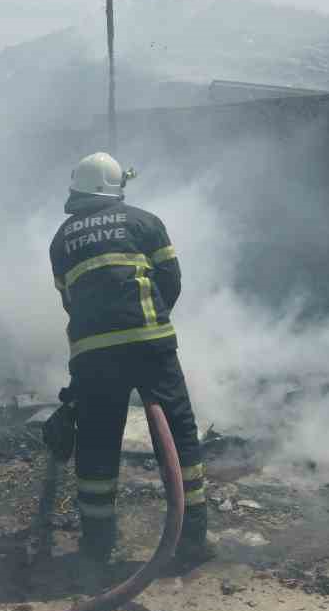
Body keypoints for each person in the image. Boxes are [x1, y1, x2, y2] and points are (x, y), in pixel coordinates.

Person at [48, 152, 211, 569]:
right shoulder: (144, 222)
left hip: (94, 356)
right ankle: (192, 538)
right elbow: (170, 280)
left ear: (78, 190)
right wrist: (150, 321)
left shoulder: (62, 240)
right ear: (116, 187)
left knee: (98, 442)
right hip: (150, 345)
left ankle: (98, 544)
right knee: (179, 435)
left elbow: (70, 300)